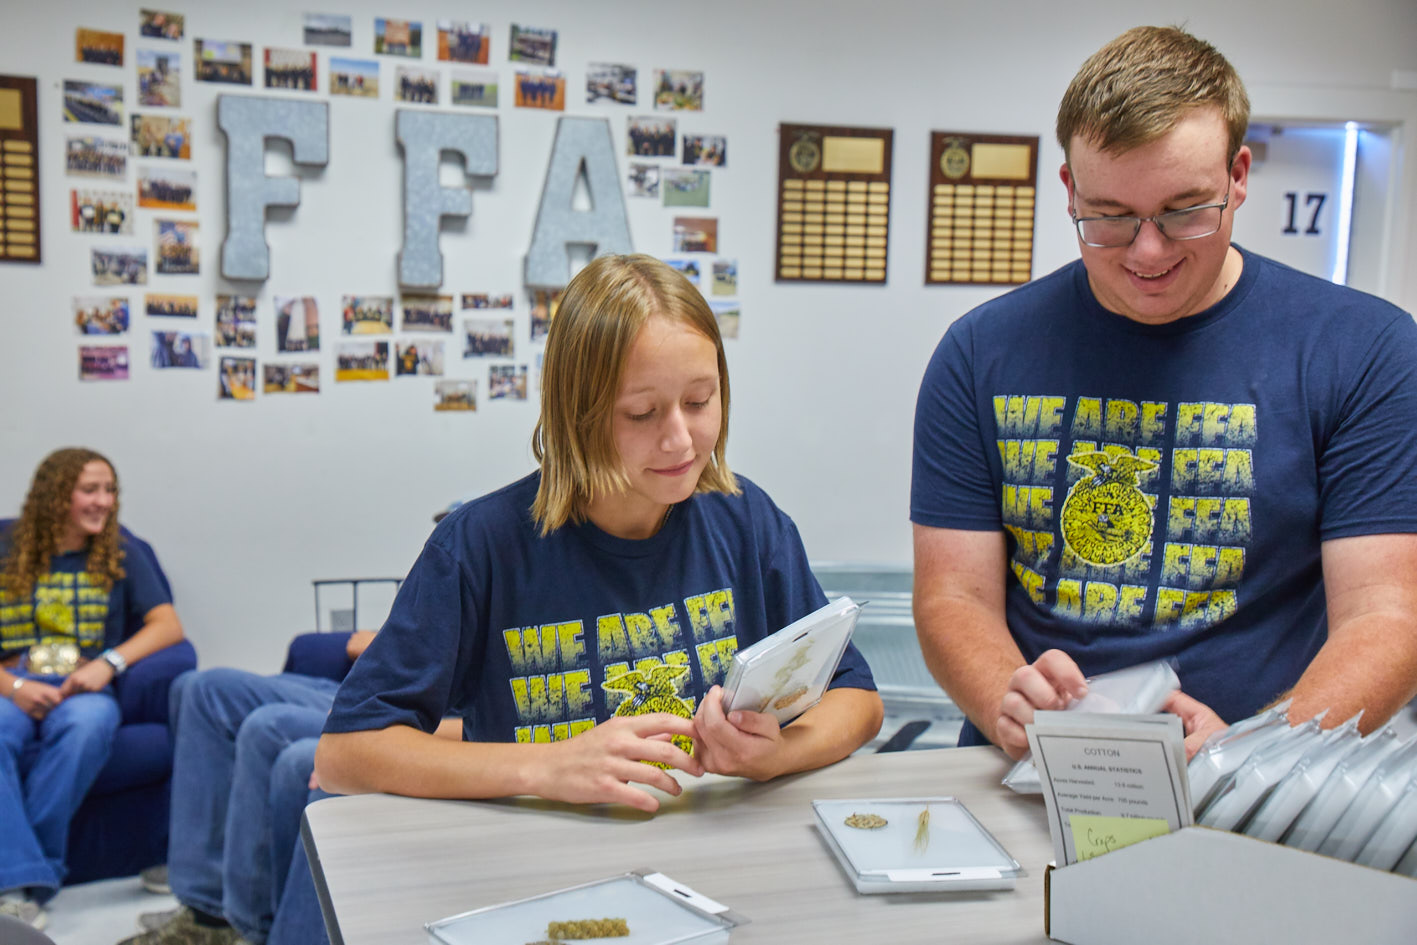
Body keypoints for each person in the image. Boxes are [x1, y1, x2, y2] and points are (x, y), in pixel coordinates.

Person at [911, 25, 1417, 762]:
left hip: (1267, 770)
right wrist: (1004, 696)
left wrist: (1251, 752)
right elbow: (952, 598)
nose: (1147, 252)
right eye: (1109, 216)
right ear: (1068, 191)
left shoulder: (1362, 350)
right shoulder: (979, 352)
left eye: (1185, 210)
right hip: (1031, 766)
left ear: (1238, 175)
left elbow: (1385, 614)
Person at [316, 253, 883, 809]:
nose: (681, 439)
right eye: (641, 413)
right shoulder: (480, 548)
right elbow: (345, 754)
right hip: (540, 872)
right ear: (576, 415)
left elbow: (857, 699)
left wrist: (776, 754)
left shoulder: (746, 522)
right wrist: (546, 766)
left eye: (699, 401)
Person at [0, 448, 185, 930]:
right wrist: (12, 685)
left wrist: (109, 663)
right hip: (9, 683)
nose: (104, 501)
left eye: (110, 490)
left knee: (87, 729)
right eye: (90, 490)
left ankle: (20, 881)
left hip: (82, 686)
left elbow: (167, 626)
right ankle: (30, 878)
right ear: (56, 495)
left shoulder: (122, 551)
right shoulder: (4, 546)